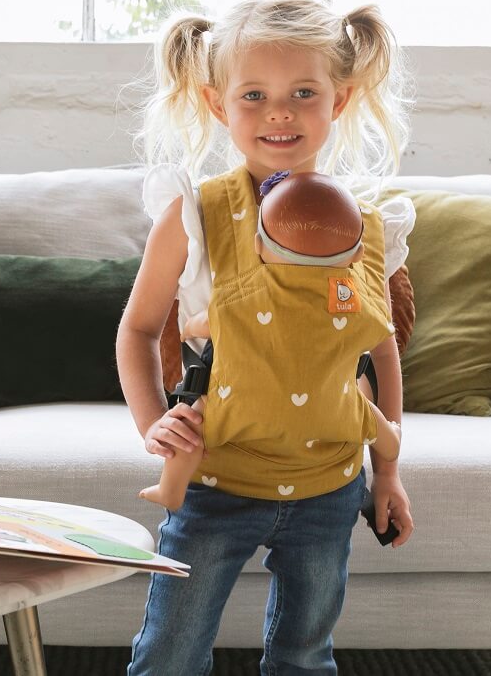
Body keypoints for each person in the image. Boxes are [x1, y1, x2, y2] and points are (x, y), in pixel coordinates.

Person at [115, 0, 415, 674]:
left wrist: (387, 471)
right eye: (252, 95)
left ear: (338, 100)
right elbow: (136, 332)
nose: (279, 112)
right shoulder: (191, 216)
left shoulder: (371, 229)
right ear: (216, 104)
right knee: (170, 652)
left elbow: (380, 351)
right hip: (214, 480)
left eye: (303, 93)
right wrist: (151, 426)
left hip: (328, 486)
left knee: (305, 655)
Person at [137, 170, 403, 512]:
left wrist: (189, 330)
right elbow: (381, 344)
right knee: (369, 417)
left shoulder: (240, 303)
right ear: (357, 255)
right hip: (335, 412)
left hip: (239, 411)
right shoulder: (360, 309)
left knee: (193, 426)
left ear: (258, 247)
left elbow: (200, 325)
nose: (280, 114)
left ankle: (169, 490)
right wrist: (388, 468)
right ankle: (392, 440)